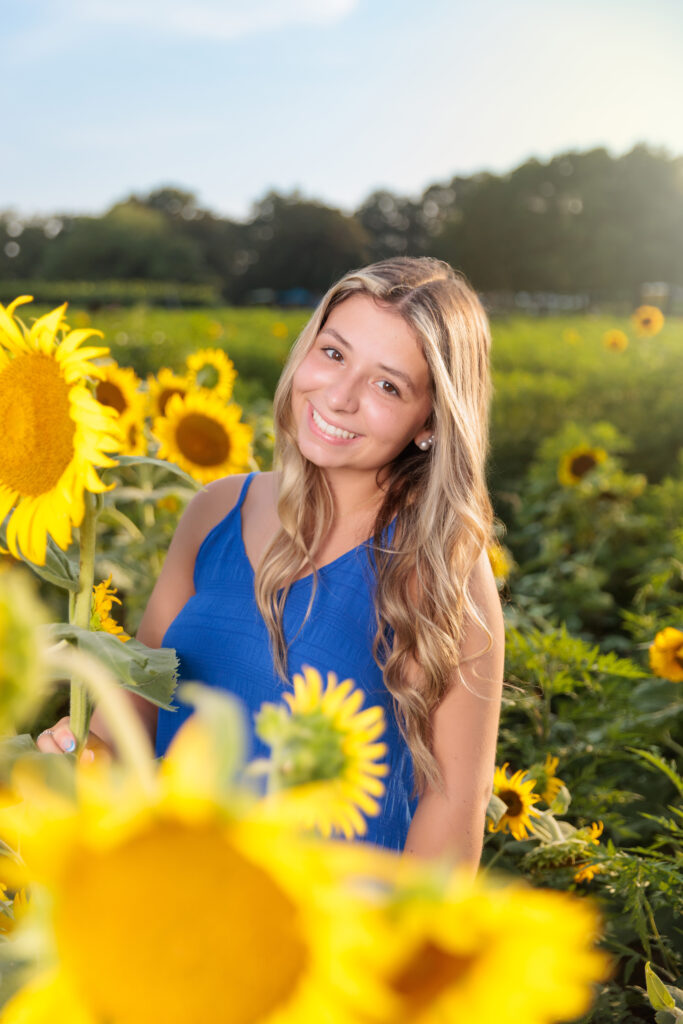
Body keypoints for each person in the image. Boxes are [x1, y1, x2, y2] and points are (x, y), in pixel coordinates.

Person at [38, 256, 504, 872]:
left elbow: (446, 838)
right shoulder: (214, 511)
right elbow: (135, 711)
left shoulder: (441, 573)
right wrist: (79, 757)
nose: (339, 397)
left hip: (318, 944)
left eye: (388, 385)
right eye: (334, 354)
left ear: (432, 422)